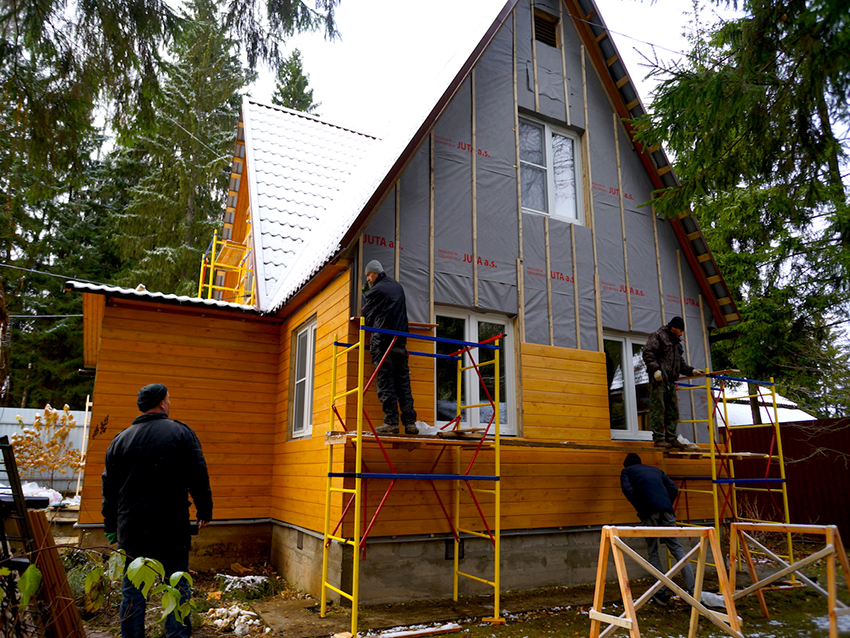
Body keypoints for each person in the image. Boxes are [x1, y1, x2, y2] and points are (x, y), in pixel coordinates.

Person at [102, 384, 213, 638]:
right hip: (171, 528)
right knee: (176, 585)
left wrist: (110, 527)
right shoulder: (181, 433)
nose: (170, 402)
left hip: (132, 530)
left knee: (133, 591)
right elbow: (198, 473)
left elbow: (109, 488)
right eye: (169, 399)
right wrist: (204, 509)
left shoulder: (120, 440)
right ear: (162, 403)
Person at [620, 452, 695, 605]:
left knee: (653, 550)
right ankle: (694, 590)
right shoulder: (656, 471)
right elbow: (673, 489)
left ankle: (660, 592)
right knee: (676, 548)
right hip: (667, 510)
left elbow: (627, 489)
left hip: (649, 511)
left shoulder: (627, 471)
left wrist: (641, 507)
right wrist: (666, 503)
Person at [362, 260, 419, 435]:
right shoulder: (397, 286)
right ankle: (410, 423)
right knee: (403, 381)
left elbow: (367, 315)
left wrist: (367, 293)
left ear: (375, 273)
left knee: (385, 380)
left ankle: (391, 422)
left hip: (383, 340)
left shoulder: (377, 290)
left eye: (369, 275)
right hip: (400, 340)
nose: (368, 279)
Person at [642, 316, 703, 449]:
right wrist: (655, 369)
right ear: (673, 328)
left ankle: (671, 438)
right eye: (680, 330)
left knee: (672, 411)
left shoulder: (675, 343)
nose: (681, 333)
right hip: (659, 379)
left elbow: (679, 363)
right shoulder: (657, 336)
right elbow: (648, 352)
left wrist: (691, 371)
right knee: (659, 409)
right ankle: (659, 439)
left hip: (670, 380)